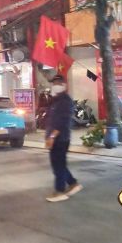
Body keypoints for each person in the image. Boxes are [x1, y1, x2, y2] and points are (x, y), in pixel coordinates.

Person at [44, 74, 82, 202]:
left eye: (58, 83)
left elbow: (62, 122)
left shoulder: (65, 101)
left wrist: (52, 137)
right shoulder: (55, 100)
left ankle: (59, 191)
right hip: (54, 137)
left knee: (58, 165)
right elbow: (52, 120)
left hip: (60, 138)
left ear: (64, 85)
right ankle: (73, 183)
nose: (55, 85)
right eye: (54, 83)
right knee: (59, 165)